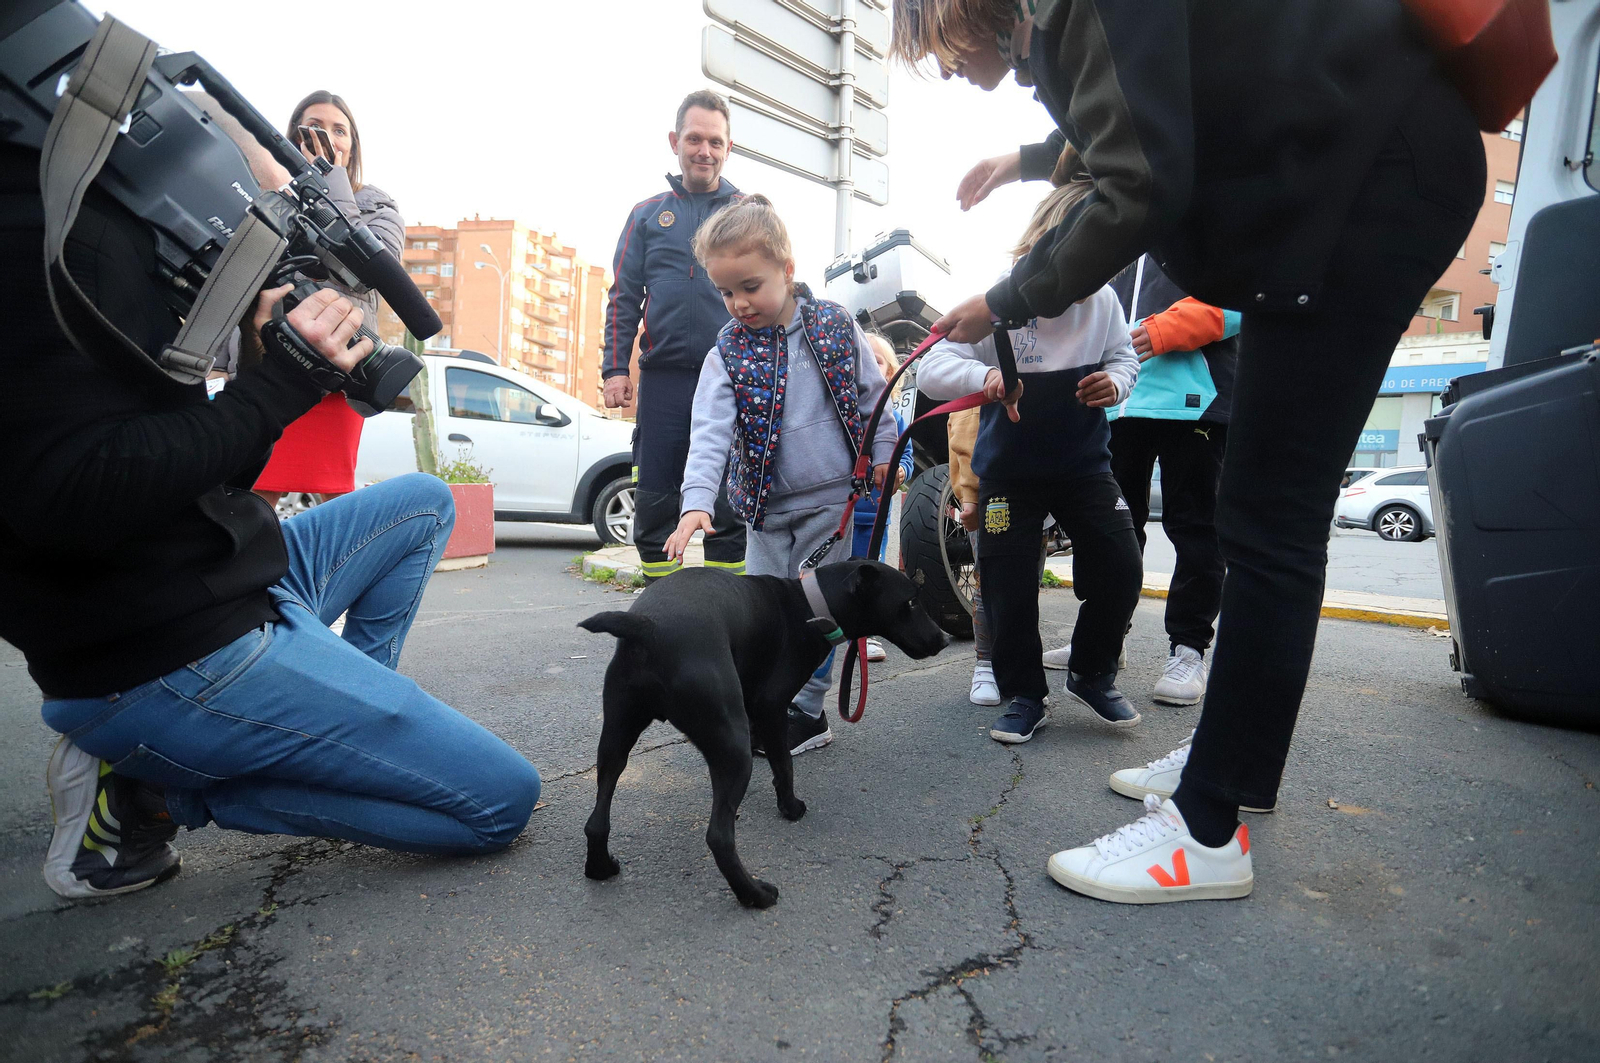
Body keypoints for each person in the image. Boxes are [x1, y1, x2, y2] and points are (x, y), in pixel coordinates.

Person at [891, 0, 1484, 902]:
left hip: (1361, 191)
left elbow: (1140, 179)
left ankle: (1206, 832)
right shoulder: (1071, 22)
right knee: (1264, 511)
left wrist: (1009, 298)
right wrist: (1022, 160)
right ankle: (1233, 768)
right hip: (1357, 177)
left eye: (934, 46)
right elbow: (1146, 117)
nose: (944, 68)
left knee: (1270, 514)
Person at [0, 114, 540, 900]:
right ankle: (155, 792)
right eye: (262, 195)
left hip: (231, 578)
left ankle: (324, 724)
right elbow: (66, 495)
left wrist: (263, 364)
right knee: (499, 800)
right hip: (164, 647)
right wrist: (273, 388)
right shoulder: (48, 240)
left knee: (424, 503)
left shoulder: (118, 238)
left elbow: (191, 462)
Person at [664, 195, 901, 756]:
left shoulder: (836, 325)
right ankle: (767, 701)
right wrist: (696, 501)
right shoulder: (726, 352)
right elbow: (710, 433)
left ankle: (807, 710)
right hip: (765, 514)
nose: (738, 304)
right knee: (766, 617)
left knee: (820, 612)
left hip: (831, 505)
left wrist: (886, 450)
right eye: (725, 292)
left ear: (788, 271)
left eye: (750, 286)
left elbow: (874, 397)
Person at [918, 179, 1143, 744]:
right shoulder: (999, 301)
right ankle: (1023, 695)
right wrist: (987, 378)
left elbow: (1123, 356)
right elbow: (928, 368)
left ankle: (1092, 672)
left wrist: (1115, 383)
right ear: (1043, 246)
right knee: (1006, 584)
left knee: (1122, 563)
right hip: (1009, 476)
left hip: (1085, 466)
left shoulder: (1104, 302)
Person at [601, 89, 747, 581]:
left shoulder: (747, 212)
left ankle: (733, 614)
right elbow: (623, 296)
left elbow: (773, 294)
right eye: (694, 139)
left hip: (732, 378)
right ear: (675, 141)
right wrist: (615, 369)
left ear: (729, 148)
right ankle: (660, 615)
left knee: (731, 504)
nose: (704, 150)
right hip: (662, 382)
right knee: (657, 498)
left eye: (715, 141)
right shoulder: (646, 214)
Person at [251, 91, 404, 514]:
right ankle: (246, 575)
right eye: (314, 125)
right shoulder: (266, 195)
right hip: (269, 359)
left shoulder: (378, 207)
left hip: (337, 363)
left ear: (351, 146)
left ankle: (345, 576)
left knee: (335, 497)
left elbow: (376, 268)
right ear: (293, 135)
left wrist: (330, 185)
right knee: (256, 489)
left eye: (339, 129)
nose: (326, 135)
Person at [853, 333, 915, 662]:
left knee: (869, 577)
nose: (864, 365)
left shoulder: (896, 419)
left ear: (890, 374)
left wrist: (901, 472)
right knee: (837, 575)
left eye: (874, 360)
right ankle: (841, 632)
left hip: (874, 519)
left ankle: (864, 636)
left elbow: (905, 456)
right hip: (842, 517)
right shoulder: (846, 414)